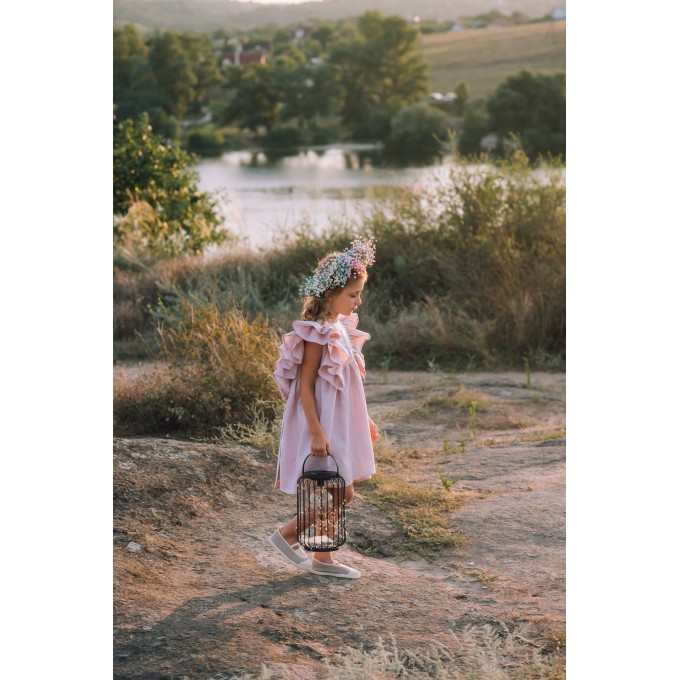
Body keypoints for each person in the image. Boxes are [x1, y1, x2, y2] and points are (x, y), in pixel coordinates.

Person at [268, 236, 379, 579]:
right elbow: (304, 385)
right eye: (353, 294)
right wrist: (316, 430)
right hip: (324, 424)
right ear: (331, 293)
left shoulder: (341, 328)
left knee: (341, 490)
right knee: (340, 489)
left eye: (359, 293)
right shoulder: (317, 334)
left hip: (342, 422)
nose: (358, 300)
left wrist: (366, 420)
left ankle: (308, 549)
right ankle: (305, 547)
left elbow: (349, 388)